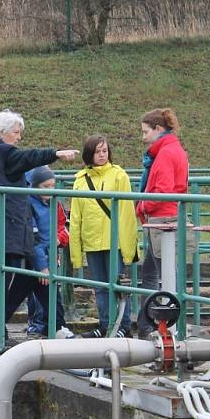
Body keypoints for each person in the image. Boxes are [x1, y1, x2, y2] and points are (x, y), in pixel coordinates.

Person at [0, 109, 78, 353]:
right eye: (16, 133)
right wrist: (55, 153)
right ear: (2, 133)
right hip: (1, 231)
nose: (18, 138)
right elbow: (27, 158)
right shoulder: (2, 152)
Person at [69, 136, 138, 338]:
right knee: (100, 287)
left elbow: (127, 213)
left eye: (104, 151)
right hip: (92, 241)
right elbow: (76, 216)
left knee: (116, 286)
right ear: (89, 154)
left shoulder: (119, 176)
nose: (101, 155)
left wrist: (128, 247)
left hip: (113, 240)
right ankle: (106, 324)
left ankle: (122, 327)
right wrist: (76, 250)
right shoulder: (80, 179)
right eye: (97, 151)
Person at [134, 108, 190, 338]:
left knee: (161, 273)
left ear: (158, 129)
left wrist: (143, 205)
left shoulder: (165, 154)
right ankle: (148, 323)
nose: (143, 137)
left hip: (162, 220)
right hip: (165, 218)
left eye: (146, 132)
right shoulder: (172, 150)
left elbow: (163, 190)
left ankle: (159, 325)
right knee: (154, 272)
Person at [4, 165, 73, 339]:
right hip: (33, 259)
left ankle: (58, 326)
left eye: (52, 185)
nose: (50, 190)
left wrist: (57, 241)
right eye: (45, 186)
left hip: (45, 257)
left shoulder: (51, 202)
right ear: (34, 185)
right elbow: (33, 239)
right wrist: (41, 266)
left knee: (47, 294)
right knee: (17, 295)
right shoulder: (28, 203)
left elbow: (58, 227)